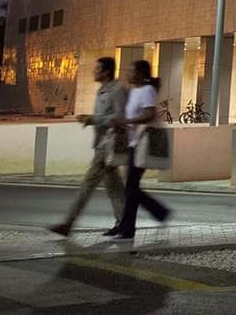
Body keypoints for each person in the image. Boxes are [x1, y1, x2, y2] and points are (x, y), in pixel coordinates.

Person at [48, 57, 126, 236]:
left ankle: (68, 223)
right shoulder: (102, 91)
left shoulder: (117, 90)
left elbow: (120, 117)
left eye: (97, 69)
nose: (94, 72)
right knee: (114, 187)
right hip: (102, 144)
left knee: (88, 184)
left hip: (109, 144)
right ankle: (124, 223)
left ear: (106, 71)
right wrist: (91, 119)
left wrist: (93, 119)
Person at [106, 60, 171, 240]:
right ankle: (139, 222)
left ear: (141, 74)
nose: (128, 74)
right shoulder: (134, 91)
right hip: (133, 143)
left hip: (143, 143)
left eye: (131, 71)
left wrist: (125, 122)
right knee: (131, 188)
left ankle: (136, 224)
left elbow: (149, 114)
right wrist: (121, 125)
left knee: (131, 188)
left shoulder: (147, 91)